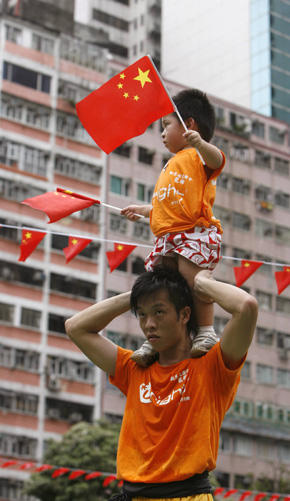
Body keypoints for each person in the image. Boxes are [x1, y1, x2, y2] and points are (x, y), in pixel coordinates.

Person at [65, 265, 258, 500]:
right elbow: (75, 327)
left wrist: (199, 284)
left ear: (185, 315)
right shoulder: (134, 368)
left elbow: (246, 307)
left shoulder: (213, 367)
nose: (149, 324)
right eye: (142, 314)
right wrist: (138, 294)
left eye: (159, 312)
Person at [121, 89, 226, 367]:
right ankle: (155, 340)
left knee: (194, 282)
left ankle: (206, 331)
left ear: (188, 124)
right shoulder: (172, 163)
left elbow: (218, 160)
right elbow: (168, 205)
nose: (162, 133)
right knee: (159, 287)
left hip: (193, 233)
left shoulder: (198, 157)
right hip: (167, 238)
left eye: (166, 125)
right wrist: (143, 212)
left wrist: (201, 144)